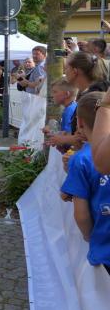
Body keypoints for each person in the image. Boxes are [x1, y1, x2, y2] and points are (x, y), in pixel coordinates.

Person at [60, 92, 110, 276]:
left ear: (79, 122)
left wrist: (88, 236)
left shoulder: (80, 160)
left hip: (104, 250)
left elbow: (81, 215)